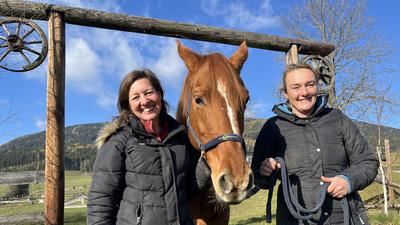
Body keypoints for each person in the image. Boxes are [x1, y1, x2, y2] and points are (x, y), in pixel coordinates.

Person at [251, 63, 379, 225]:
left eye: (309, 84)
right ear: (285, 93)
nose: (304, 92)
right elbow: (257, 176)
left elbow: (368, 161)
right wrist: (264, 171)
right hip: (293, 219)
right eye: (296, 87)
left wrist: (348, 180)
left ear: (317, 86)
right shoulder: (273, 127)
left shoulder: (337, 118)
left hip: (342, 218)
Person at [87, 69, 209, 225]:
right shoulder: (119, 140)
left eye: (149, 92)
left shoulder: (180, 136)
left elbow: (188, 187)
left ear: (160, 94)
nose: (144, 101)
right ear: (128, 105)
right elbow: (101, 199)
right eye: (136, 97)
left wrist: (204, 168)